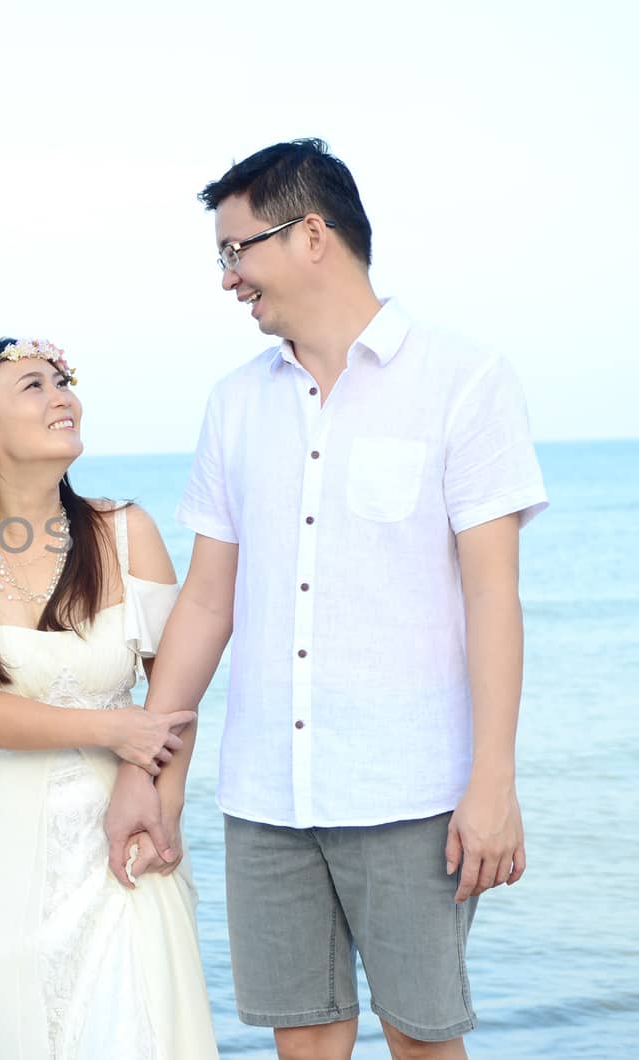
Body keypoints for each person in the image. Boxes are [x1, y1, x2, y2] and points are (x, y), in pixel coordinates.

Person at [104, 139, 548, 1060]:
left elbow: (492, 600)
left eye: (238, 250)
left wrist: (493, 783)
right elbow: (205, 607)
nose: (228, 279)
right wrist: (144, 773)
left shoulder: (463, 380)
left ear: (312, 235)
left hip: (412, 789)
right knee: (302, 1037)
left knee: (423, 1039)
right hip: (267, 793)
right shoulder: (235, 404)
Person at [0, 337, 220, 1059]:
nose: (64, 396)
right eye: (36, 385)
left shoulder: (126, 532)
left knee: (140, 1029)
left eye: (64, 381)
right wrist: (109, 727)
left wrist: (162, 803)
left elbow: (174, 694)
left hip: (123, 828)